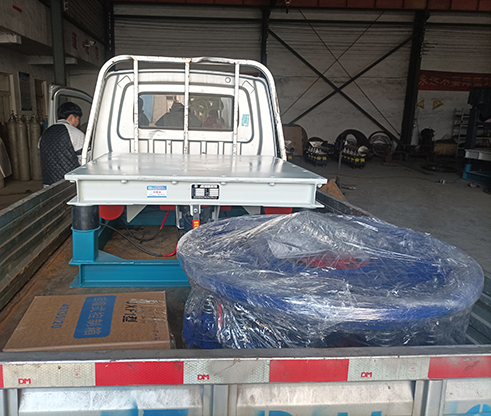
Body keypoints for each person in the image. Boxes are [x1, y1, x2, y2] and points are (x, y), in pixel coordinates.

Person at [39, 102, 85, 186]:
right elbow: (84, 159)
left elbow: (40, 149)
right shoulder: (76, 133)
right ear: (72, 118)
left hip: (48, 182)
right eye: (78, 118)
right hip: (70, 183)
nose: (78, 122)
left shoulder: (45, 133)